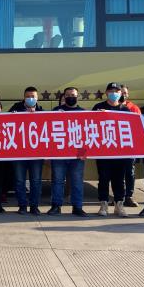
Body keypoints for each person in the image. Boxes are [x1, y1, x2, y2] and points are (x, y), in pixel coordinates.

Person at [93, 82, 133, 217]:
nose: (114, 94)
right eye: (111, 91)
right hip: (103, 151)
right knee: (103, 178)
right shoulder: (98, 107)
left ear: (121, 93)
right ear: (106, 93)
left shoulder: (125, 110)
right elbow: (91, 125)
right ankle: (103, 204)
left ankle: (119, 205)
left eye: (116, 91)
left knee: (119, 180)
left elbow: (130, 129)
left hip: (120, 152)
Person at [50, 87, 88, 216]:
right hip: (59, 153)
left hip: (77, 153)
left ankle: (77, 207)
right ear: (64, 97)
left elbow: (85, 134)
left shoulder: (83, 112)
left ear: (78, 96)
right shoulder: (56, 111)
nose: (71, 97)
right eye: (68, 95)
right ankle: (56, 206)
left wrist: (83, 153)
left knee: (77, 181)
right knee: (57, 180)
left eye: (73, 95)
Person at [9, 87, 43, 215]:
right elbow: (4, 122)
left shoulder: (41, 111)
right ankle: (22, 205)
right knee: (19, 180)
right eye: (28, 96)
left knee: (36, 181)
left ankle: (34, 206)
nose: (30, 99)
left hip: (36, 153)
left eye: (33, 96)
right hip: (19, 153)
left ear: (37, 98)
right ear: (24, 97)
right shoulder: (16, 108)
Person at [120, 84, 141, 208]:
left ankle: (129, 196)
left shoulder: (133, 108)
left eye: (125, 93)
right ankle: (119, 197)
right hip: (116, 146)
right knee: (117, 174)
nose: (123, 95)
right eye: (121, 92)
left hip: (130, 146)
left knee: (129, 172)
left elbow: (138, 126)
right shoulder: (112, 108)